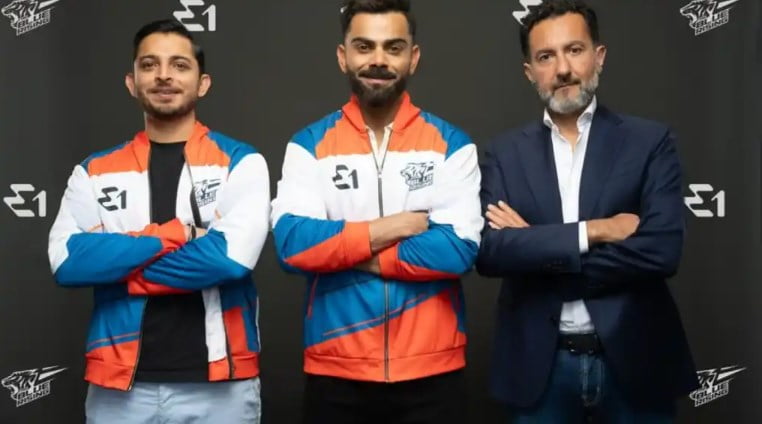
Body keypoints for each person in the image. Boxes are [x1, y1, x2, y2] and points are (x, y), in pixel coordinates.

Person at [476, 1, 698, 422]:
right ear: (529, 71)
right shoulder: (504, 153)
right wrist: (594, 231)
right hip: (539, 371)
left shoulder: (649, 142)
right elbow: (491, 253)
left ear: (599, 56)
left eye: (574, 50)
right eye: (546, 56)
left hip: (635, 360)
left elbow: (661, 251)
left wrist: (537, 249)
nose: (563, 68)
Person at [47, 19, 269, 423]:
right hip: (118, 390)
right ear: (132, 82)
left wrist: (120, 266)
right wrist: (179, 234)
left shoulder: (241, 162)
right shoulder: (93, 171)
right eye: (149, 65)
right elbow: (67, 262)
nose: (164, 75)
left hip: (220, 389)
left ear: (203, 83)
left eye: (179, 65)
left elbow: (229, 260)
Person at [270, 1, 482, 422]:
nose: (379, 60)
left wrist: (342, 250)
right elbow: (293, 245)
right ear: (343, 56)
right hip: (336, 369)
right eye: (364, 46)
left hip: (432, 372)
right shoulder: (308, 145)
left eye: (393, 47)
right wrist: (394, 226)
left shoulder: (452, 144)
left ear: (413, 58)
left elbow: (456, 250)